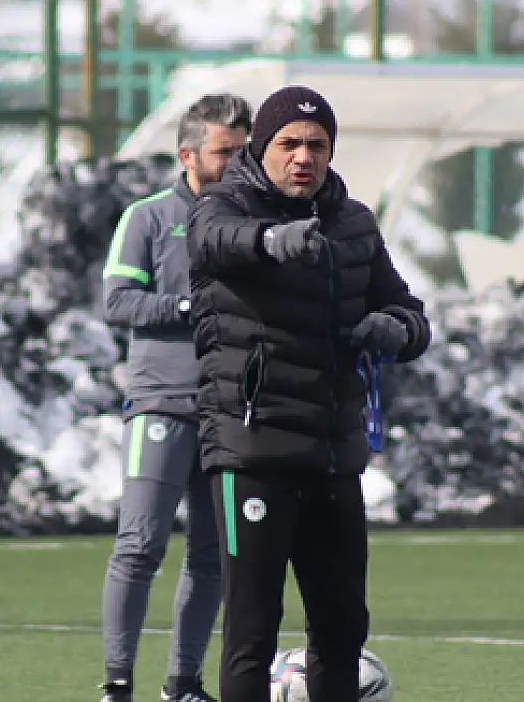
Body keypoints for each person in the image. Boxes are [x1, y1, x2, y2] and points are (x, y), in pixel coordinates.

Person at [185, 85, 431, 702]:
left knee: (342, 627)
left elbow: (408, 308)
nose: (303, 157)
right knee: (252, 632)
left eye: (317, 145)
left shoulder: (353, 222)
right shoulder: (222, 204)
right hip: (252, 451)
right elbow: (213, 241)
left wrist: (395, 328)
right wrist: (270, 242)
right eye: (289, 143)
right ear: (262, 147)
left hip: (331, 455)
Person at [98, 93, 253, 702]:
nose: (236, 162)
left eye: (243, 151)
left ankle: (182, 685)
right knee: (140, 545)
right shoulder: (147, 218)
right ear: (187, 155)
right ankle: (117, 686)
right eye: (224, 152)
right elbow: (117, 301)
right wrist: (191, 307)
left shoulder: (252, 220)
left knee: (212, 559)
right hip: (161, 403)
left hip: (227, 411)